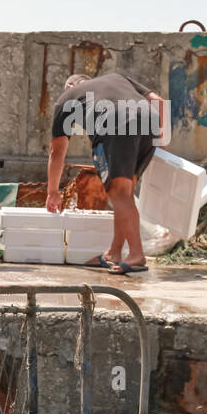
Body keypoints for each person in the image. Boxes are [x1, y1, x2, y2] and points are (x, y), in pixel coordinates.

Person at [48, 72, 164, 275]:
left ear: (70, 86)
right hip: (149, 121)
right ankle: (114, 252)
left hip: (115, 123)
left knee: (118, 193)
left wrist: (52, 191)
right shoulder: (118, 77)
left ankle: (137, 255)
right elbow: (158, 101)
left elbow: (57, 152)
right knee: (124, 194)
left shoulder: (67, 97)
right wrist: (159, 135)